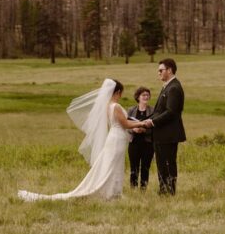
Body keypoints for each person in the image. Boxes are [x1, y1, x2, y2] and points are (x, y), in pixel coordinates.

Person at [19, 79, 149, 201]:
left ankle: (113, 192)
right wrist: (142, 124)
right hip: (117, 138)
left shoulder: (107, 105)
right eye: (121, 93)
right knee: (112, 166)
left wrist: (135, 127)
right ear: (118, 92)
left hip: (115, 136)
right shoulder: (115, 106)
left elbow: (120, 124)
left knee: (113, 165)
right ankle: (110, 192)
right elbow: (125, 124)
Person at [142, 58, 186, 195]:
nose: (159, 73)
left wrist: (152, 122)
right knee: (161, 164)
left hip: (168, 134)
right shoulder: (167, 86)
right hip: (161, 133)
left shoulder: (174, 88)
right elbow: (159, 111)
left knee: (167, 163)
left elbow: (171, 112)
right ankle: (164, 190)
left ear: (170, 70)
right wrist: (143, 121)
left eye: (161, 70)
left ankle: (169, 191)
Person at [126, 86, 155, 189]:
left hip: (148, 143)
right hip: (134, 143)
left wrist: (145, 130)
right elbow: (125, 125)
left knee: (145, 168)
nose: (146, 97)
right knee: (134, 168)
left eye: (148, 95)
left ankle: (143, 190)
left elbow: (156, 127)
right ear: (138, 97)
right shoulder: (131, 110)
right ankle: (133, 189)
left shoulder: (153, 110)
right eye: (143, 95)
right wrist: (133, 129)